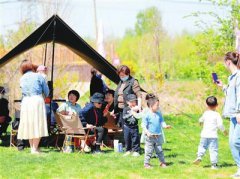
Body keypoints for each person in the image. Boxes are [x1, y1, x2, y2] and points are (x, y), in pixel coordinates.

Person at [17, 59, 49, 154]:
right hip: (36, 100)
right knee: (37, 124)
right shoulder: (39, 76)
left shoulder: (22, 78)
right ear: (31, 66)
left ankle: (33, 148)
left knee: (30, 124)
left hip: (26, 101)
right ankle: (34, 149)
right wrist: (44, 79)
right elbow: (47, 92)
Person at [216, 52, 240, 177]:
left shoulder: (239, 76)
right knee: (232, 142)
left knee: (236, 142)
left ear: (228, 62)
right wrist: (223, 87)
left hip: (238, 115)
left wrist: (239, 112)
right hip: (233, 116)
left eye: (225, 62)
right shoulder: (231, 77)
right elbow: (231, 94)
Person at [193, 96, 227, 169]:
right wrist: (224, 131)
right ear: (217, 105)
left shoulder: (205, 113)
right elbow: (220, 125)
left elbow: (200, 120)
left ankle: (199, 156)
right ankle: (214, 165)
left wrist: (200, 122)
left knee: (202, 146)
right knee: (213, 150)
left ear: (206, 105)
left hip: (204, 135)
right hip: (213, 136)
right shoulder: (217, 114)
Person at [142, 96, 171, 169]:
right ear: (151, 106)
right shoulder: (147, 115)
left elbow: (162, 121)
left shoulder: (159, 114)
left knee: (160, 150)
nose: (158, 106)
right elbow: (143, 125)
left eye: (158, 105)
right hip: (150, 137)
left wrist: (165, 126)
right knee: (149, 151)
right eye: (157, 105)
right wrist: (147, 132)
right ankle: (146, 164)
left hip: (158, 136)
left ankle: (162, 163)